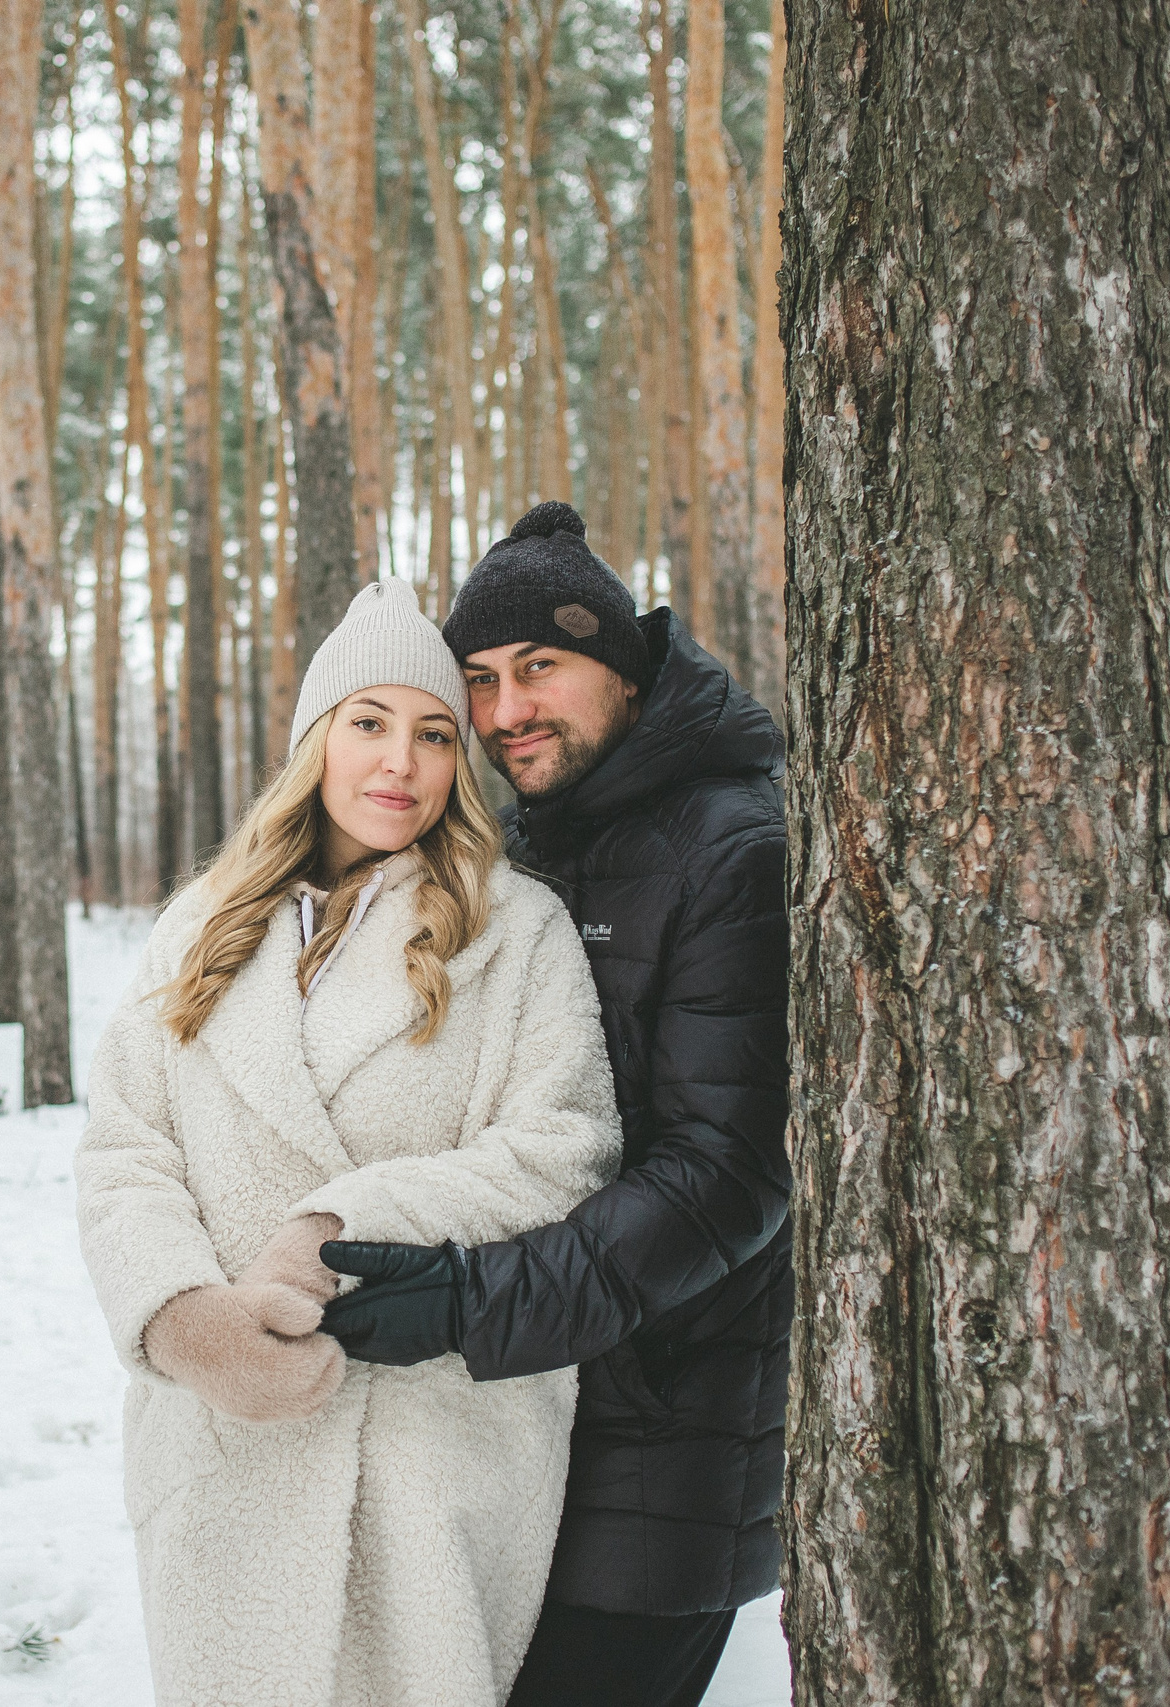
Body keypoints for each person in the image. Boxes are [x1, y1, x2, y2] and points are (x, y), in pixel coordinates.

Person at [75, 577, 623, 1707]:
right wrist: (182, 1321)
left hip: (428, 1451)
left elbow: (564, 1145)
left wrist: (339, 1227)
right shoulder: (203, 922)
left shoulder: (515, 927)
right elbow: (126, 1146)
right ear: (317, 738)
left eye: (434, 734)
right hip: (228, 1445)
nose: (400, 764)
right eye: (370, 722)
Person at [319, 502, 792, 1707]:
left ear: (624, 667)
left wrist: (474, 1301)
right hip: (534, 1427)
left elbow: (726, 1175)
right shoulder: (538, 842)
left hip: (661, 1451)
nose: (505, 711)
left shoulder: (730, 848)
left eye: (540, 667)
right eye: (479, 680)